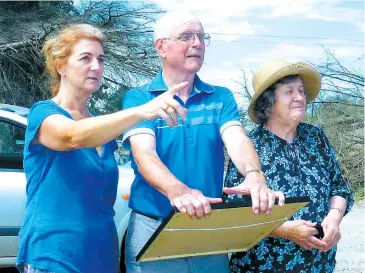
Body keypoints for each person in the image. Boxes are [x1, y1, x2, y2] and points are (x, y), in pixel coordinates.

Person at [16, 24, 188, 273]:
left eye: (101, 59)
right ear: (61, 66)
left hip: (101, 257)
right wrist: (141, 111)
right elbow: (71, 136)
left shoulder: (102, 128)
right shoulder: (43, 113)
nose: (96, 66)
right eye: (85, 58)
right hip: (54, 256)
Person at [121, 12, 285, 273]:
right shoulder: (139, 98)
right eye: (186, 36)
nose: (197, 43)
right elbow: (144, 156)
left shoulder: (220, 97)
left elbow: (237, 140)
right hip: (154, 227)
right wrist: (178, 191)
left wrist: (255, 175)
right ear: (161, 47)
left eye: (201, 37)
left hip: (207, 228)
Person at [224, 58, 354, 273]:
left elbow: (339, 188)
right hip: (264, 266)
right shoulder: (249, 147)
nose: (299, 98)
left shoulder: (316, 138)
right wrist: (286, 231)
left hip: (319, 264)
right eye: (289, 92)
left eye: (301, 91)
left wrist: (334, 217)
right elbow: (235, 211)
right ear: (268, 101)